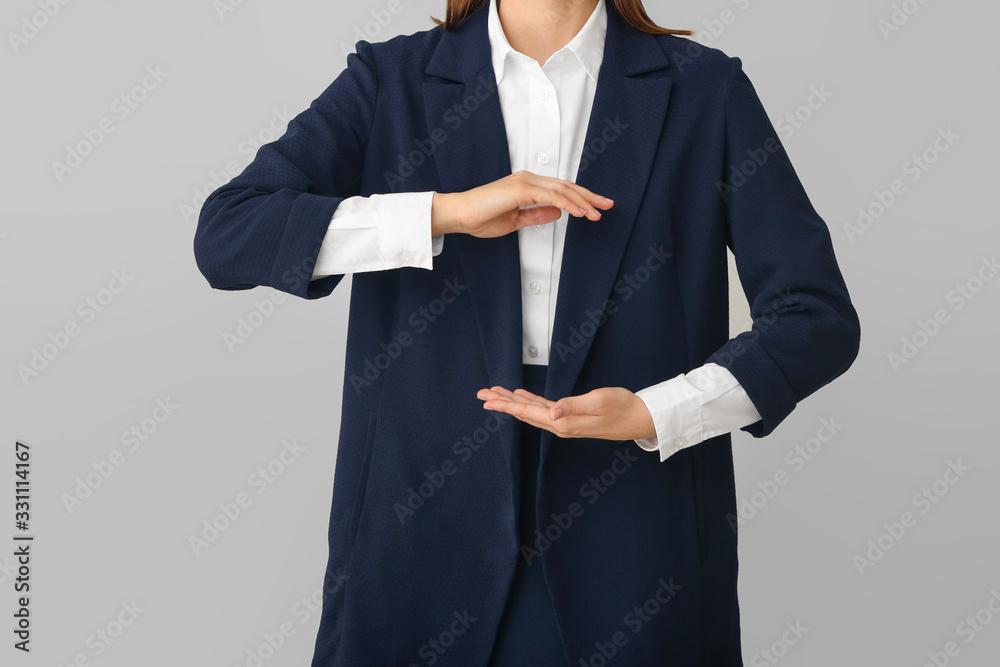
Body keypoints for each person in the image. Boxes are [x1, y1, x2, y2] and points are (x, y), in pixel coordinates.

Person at [193, 0, 861, 664]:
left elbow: (816, 315)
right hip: (419, 532)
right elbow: (229, 233)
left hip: (636, 532)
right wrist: (443, 213)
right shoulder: (389, 79)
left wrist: (656, 411)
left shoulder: (703, 88)